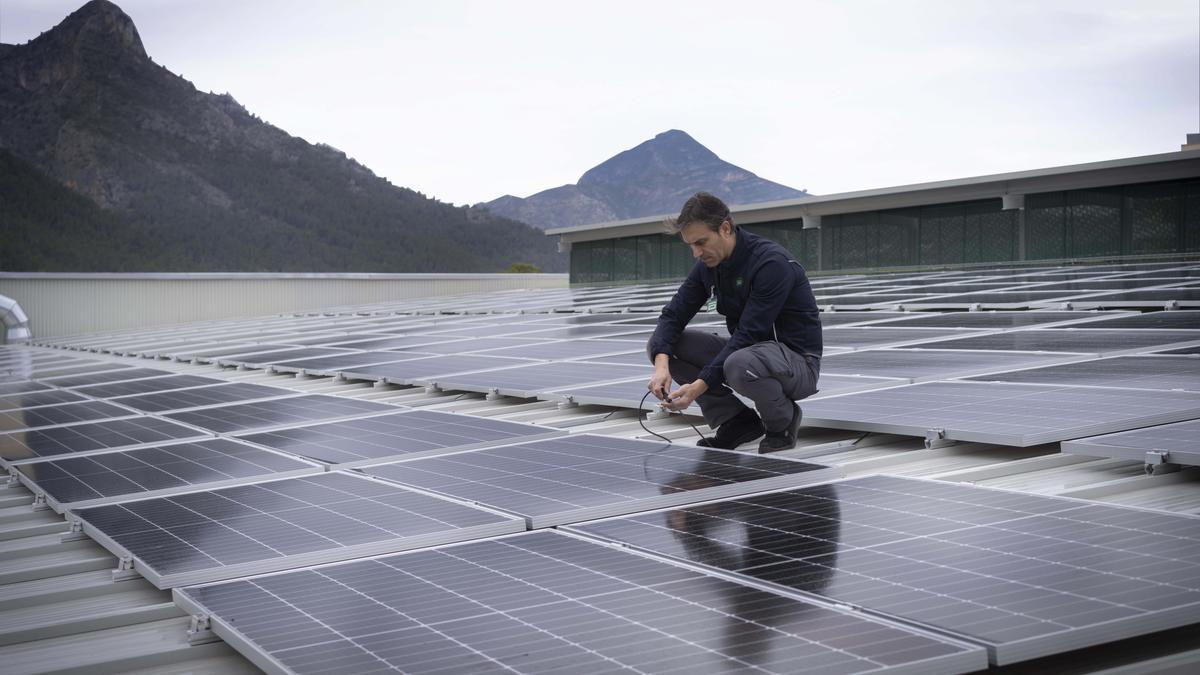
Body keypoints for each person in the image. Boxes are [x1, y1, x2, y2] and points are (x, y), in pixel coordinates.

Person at [647, 192, 822, 452]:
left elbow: (749, 335)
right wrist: (661, 367)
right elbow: (673, 315)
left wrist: (697, 387)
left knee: (739, 362)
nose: (696, 253)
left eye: (701, 242)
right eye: (690, 245)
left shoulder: (771, 263)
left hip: (797, 364)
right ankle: (737, 421)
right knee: (665, 345)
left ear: (725, 228)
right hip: (749, 355)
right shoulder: (710, 264)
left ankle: (782, 420)